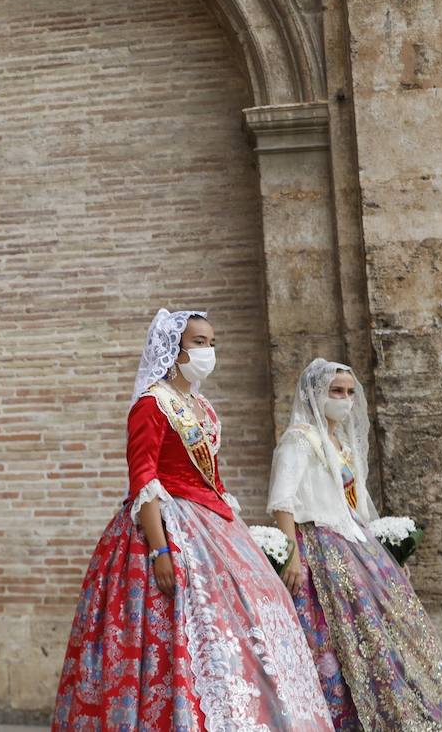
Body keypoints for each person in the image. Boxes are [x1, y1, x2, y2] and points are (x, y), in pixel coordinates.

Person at [52, 308, 332, 731]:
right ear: (174, 349)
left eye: (212, 343)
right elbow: (143, 479)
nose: (208, 351)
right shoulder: (151, 404)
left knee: (254, 613)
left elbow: (214, 477)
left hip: (212, 523)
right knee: (173, 634)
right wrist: (160, 549)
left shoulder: (201, 407)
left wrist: (233, 530)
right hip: (165, 526)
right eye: (199, 343)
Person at [268, 359, 442, 730]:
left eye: (349, 392)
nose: (345, 400)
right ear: (316, 393)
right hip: (318, 545)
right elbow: (283, 501)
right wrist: (293, 557)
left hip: (355, 544)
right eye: (336, 391)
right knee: (334, 641)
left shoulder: (342, 444)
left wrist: (387, 555)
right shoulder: (300, 438)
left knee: (390, 636)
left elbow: (358, 507)